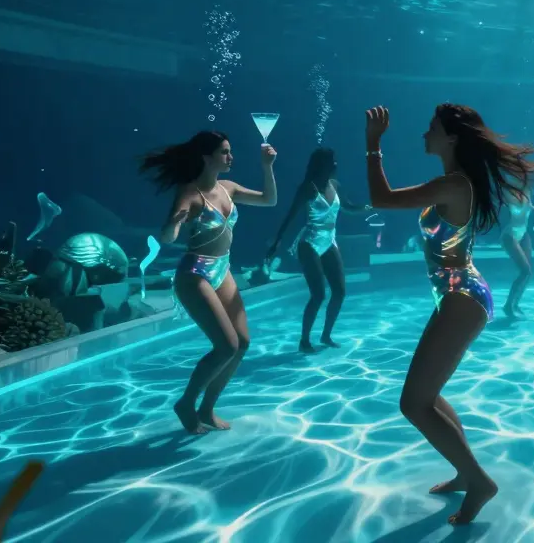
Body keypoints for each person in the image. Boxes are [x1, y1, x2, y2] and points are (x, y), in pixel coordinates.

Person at [364, 104, 534, 525]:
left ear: (452, 138)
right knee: (429, 395)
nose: (424, 134)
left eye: (432, 128)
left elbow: (381, 199)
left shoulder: (455, 185)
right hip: (457, 296)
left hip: (463, 297)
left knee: (413, 402)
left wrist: (373, 145)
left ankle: (479, 481)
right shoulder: (453, 183)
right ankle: (466, 472)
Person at [141, 131, 278, 434]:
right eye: (225, 152)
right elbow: (167, 237)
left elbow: (269, 200)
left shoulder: (228, 188)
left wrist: (266, 167)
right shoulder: (190, 193)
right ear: (207, 157)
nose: (231, 157)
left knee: (242, 343)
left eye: (230, 152)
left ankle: (207, 409)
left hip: (222, 269)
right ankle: (186, 404)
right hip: (195, 274)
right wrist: (174, 224)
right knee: (226, 346)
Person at [267, 148, 368, 353]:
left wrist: (368, 207)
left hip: (330, 241)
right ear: (323, 164)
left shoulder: (335, 185)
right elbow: (290, 216)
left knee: (339, 292)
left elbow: (348, 207)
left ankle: (326, 335)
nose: (336, 164)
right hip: (310, 243)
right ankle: (304, 340)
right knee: (319, 295)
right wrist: (277, 242)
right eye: (333, 161)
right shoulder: (308, 188)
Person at [499, 186, 534, 318]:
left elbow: (528, 205)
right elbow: (509, 205)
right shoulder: (508, 191)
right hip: (510, 234)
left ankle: (515, 303)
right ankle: (508, 305)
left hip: (523, 233)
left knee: (528, 274)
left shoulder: (527, 191)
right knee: (525, 271)